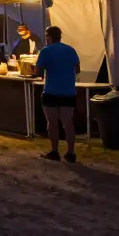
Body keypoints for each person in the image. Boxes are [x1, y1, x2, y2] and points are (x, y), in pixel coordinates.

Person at [36, 25, 81, 163]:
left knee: (52, 123)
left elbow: (38, 72)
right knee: (68, 123)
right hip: (68, 92)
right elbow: (77, 70)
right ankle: (71, 153)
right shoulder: (71, 50)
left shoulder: (45, 51)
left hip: (51, 92)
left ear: (48, 37)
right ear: (60, 36)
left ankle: (54, 151)